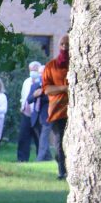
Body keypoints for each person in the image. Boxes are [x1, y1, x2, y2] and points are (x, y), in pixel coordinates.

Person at [43, 34, 70, 180]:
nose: (65, 47)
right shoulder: (51, 66)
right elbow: (47, 89)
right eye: (62, 44)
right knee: (60, 141)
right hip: (58, 111)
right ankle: (62, 172)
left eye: (67, 44)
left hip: (75, 111)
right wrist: (64, 88)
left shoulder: (78, 63)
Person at [17, 61, 42, 161]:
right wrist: (22, 106)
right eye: (31, 70)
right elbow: (23, 96)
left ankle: (41, 158)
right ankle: (22, 159)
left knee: (38, 137)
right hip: (26, 113)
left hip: (37, 113)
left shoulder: (41, 81)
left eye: (35, 70)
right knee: (23, 136)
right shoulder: (27, 82)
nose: (33, 72)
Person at [26, 65, 53, 161]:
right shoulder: (35, 85)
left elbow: (53, 99)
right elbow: (28, 100)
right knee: (41, 138)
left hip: (47, 115)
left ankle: (39, 159)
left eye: (44, 73)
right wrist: (34, 95)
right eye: (40, 73)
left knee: (43, 137)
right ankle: (49, 158)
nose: (42, 75)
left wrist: (43, 94)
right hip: (36, 116)